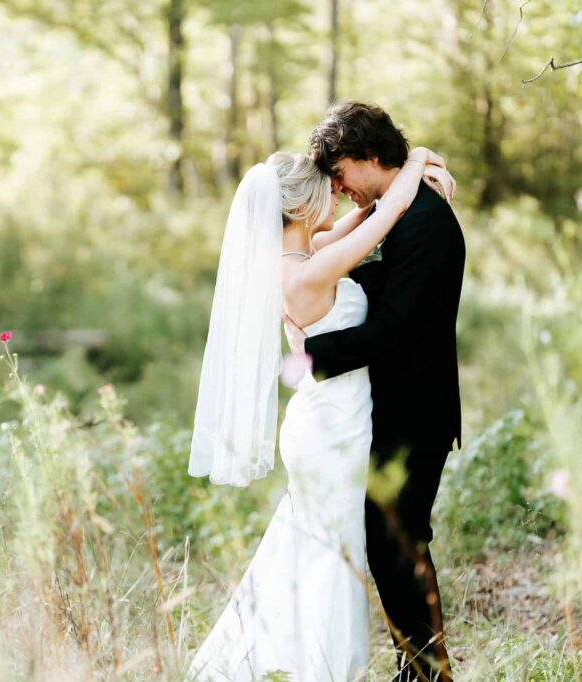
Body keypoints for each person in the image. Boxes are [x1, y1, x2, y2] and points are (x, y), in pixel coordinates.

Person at [187, 131, 455, 680]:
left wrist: (417, 160)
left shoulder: (306, 251)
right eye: (326, 189)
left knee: (326, 545)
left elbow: (370, 213)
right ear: (303, 206)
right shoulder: (310, 270)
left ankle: (308, 659)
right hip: (333, 427)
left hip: (331, 419)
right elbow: (391, 210)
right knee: (333, 551)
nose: (336, 194)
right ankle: (314, 666)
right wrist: (418, 163)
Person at [286, 101, 466, 682]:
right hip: (380, 409)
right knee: (389, 541)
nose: (336, 187)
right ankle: (417, 669)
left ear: (368, 154)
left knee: (399, 540)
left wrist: (310, 357)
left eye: (340, 172)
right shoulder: (392, 211)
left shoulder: (424, 222)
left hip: (416, 408)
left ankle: (427, 673)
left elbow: (398, 329)